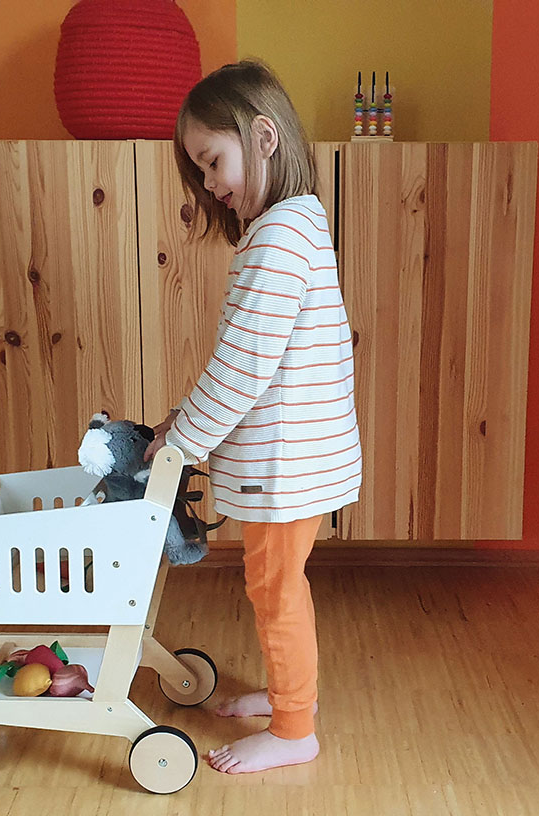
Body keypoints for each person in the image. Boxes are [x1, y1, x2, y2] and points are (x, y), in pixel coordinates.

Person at [143, 60, 362, 775]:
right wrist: (183, 421)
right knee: (277, 585)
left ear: (264, 137)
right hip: (295, 457)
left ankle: (295, 728)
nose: (209, 184)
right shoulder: (291, 228)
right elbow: (248, 359)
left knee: (275, 589)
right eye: (200, 171)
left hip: (287, 463)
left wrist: (181, 442)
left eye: (213, 161)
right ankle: (286, 694)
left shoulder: (277, 238)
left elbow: (241, 369)